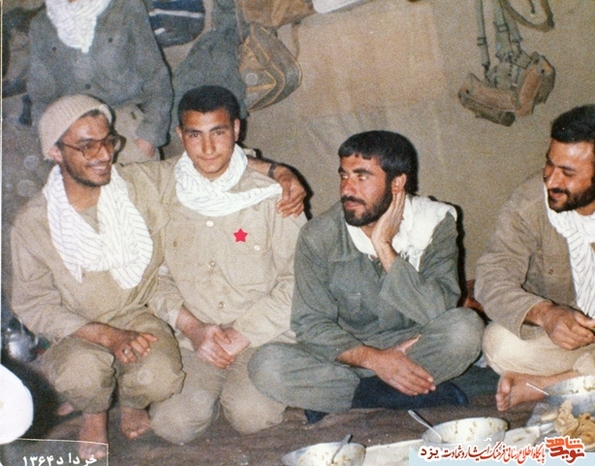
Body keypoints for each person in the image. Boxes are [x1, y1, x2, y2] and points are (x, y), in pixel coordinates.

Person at [249, 131, 484, 420]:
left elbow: (438, 310)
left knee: (465, 329)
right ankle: (392, 393)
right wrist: (375, 360)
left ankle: (358, 397)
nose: (347, 189)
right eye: (344, 176)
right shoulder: (319, 235)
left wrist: (384, 246)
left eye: (362, 177)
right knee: (266, 366)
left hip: (414, 347)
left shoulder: (433, 223)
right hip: (349, 358)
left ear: (397, 183)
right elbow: (310, 324)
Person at [9, 95, 185, 460]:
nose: (104, 154)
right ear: (55, 152)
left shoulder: (137, 185)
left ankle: (133, 402)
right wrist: (106, 335)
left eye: (108, 141)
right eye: (87, 145)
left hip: (136, 313)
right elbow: (33, 304)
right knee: (81, 375)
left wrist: (276, 173)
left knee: (161, 376)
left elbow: (202, 166)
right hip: (77, 327)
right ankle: (94, 413)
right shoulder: (34, 222)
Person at [148, 85, 307, 444]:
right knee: (173, 424)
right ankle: (210, 393)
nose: (207, 148)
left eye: (218, 132)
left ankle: (241, 390)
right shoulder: (162, 193)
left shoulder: (273, 193)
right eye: (195, 135)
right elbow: (152, 278)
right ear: (180, 135)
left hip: (261, 334)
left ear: (237, 129)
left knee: (252, 416)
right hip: (197, 338)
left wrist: (245, 333)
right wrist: (192, 328)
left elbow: (300, 278)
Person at [476, 104, 595, 411]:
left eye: (568, 173)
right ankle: (582, 379)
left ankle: (546, 386)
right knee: (499, 344)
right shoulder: (529, 203)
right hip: (565, 342)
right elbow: (492, 277)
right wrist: (547, 314)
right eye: (549, 164)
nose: (551, 181)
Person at [27, 0, 172, 163]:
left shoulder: (125, 7)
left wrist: (149, 136)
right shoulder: (41, 24)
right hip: (74, 138)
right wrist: (48, 140)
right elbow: (41, 95)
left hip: (125, 131)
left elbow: (156, 76)